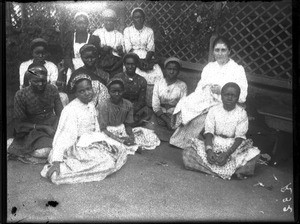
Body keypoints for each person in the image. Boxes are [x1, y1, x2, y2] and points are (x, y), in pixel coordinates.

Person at [40, 74, 129, 185]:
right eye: (82, 91)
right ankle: (62, 169)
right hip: (76, 146)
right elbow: (64, 136)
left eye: (88, 89)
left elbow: (95, 127)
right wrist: (56, 160)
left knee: (119, 150)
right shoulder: (70, 110)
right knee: (107, 162)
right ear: (76, 93)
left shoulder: (90, 104)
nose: (87, 93)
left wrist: (102, 141)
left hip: (90, 141)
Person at [170, 35, 248, 149]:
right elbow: (199, 87)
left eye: (223, 50)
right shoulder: (209, 67)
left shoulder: (237, 69)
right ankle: (182, 140)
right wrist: (204, 92)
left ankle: (194, 144)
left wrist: (221, 90)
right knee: (186, 103)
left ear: (229, 52)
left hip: (226, 102)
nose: (220, 53)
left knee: (202, 118)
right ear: (213, 52)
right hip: (207, 98)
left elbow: (243, 95)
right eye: (217, 50)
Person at [182, 82, 260, 180]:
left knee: (254, 155)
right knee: (187, 152)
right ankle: (228, 173)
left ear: (238, 97)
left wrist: (227, 154)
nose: (229, 98)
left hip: (232, 146)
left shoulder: (242, 113)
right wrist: (209, 151)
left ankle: (212, 170)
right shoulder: (214, 110)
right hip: (214, 142)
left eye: (233, 95)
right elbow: (209, 132)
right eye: (226, 95)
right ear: (221, 96)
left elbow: (239, 137)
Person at [7, 65, 63, 163]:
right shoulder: (21, 95)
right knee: (46, 152)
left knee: (65, 146)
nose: (40, 84)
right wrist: (43, 127)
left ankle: (20, 151)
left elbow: (61, 114)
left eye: (43, 81)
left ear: (47, 79)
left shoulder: (52, 89)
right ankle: (18, 149)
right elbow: (20, 124)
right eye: (36, 81)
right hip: (32, 130)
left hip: (52, 125)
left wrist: (56, 128)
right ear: (29, 80)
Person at [97, 78, 160, 152]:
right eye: (113, 91)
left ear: (123, 91)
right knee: (111, 145)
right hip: (107, 132)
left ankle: (130, 146)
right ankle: (131, 147)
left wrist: (131, 136)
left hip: (121, 129)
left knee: (150, 137)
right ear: (109, 92)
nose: (117, 94)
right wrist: (119, 139)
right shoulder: (104, 105)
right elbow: (103, 128)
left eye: (119, 91)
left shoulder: (128, 104)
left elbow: (128, 125)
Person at [123, 7, 163, 107]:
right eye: (136, 17)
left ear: (144, 18)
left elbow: (150, 48)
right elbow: (128, 48)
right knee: (136, 73)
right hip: (132, 56)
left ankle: (150, 102)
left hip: (146, 56)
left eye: (141, 17)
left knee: (157, 73)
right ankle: (135, 101)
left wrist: (146, 60)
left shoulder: (149, 31)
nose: (139, 19)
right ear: (132, 19)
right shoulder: (127, 30)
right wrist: (138, 61)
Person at [114, 53, 150, 125]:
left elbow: (141, 101)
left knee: (143, 116)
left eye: (133, 64)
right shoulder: (117, 78)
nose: (130, 66)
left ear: (136, 65)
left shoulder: (142, 80)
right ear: (124, 64)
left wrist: (131, 112)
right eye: (128, 64)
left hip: (135, 108)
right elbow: (114, 97)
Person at [93, 9, 124, 77]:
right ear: (103, 21)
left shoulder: (119, 35)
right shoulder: (97, 32)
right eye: (106, 20)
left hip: (116, 63)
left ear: (114, 22)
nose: (109, 22)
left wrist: (120, 50)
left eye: (111, 20)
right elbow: (93, 49)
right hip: (101, 61)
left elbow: (123, 53)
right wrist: (101, 49)